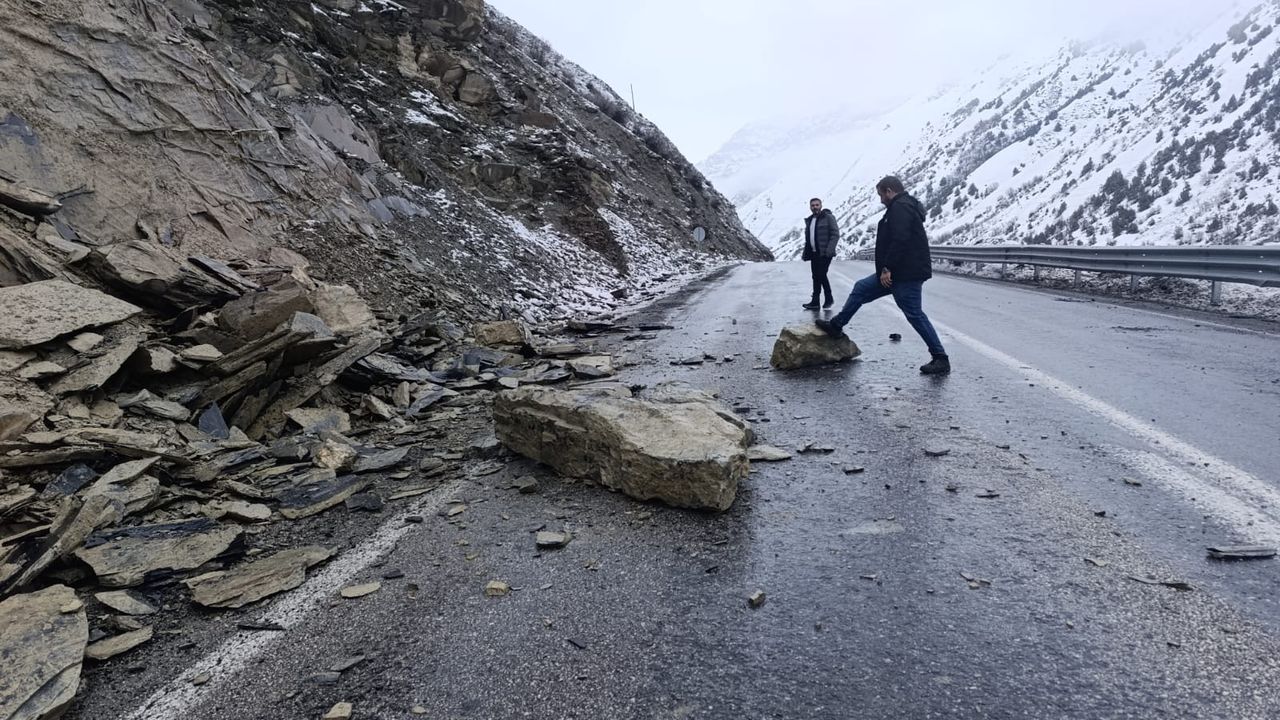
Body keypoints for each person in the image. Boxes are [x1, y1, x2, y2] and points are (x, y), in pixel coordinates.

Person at [816, 176, 950, 375]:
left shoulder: (900, 207)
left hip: (904, 273)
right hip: (896, 273)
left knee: (914, 314)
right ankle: (837, 325)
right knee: (861, 288)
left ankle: (940, 358)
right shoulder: (901, 206)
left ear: (889, 191)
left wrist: (887, 268)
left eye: (881, 194)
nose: (880, 199)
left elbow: (900, 239)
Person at [801, 197, 838, 310]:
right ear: (810, 207)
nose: (815, 207)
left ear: (821, 206)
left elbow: (835, 234)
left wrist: (829, 250)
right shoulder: (810, 220)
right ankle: (815, 302)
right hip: (814, 253)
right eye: (813, 205)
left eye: (817, 205)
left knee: (821, 275)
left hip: (825, 253)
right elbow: (809, 238)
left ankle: (829, 298)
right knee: (815, 276)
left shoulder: (828, 217)